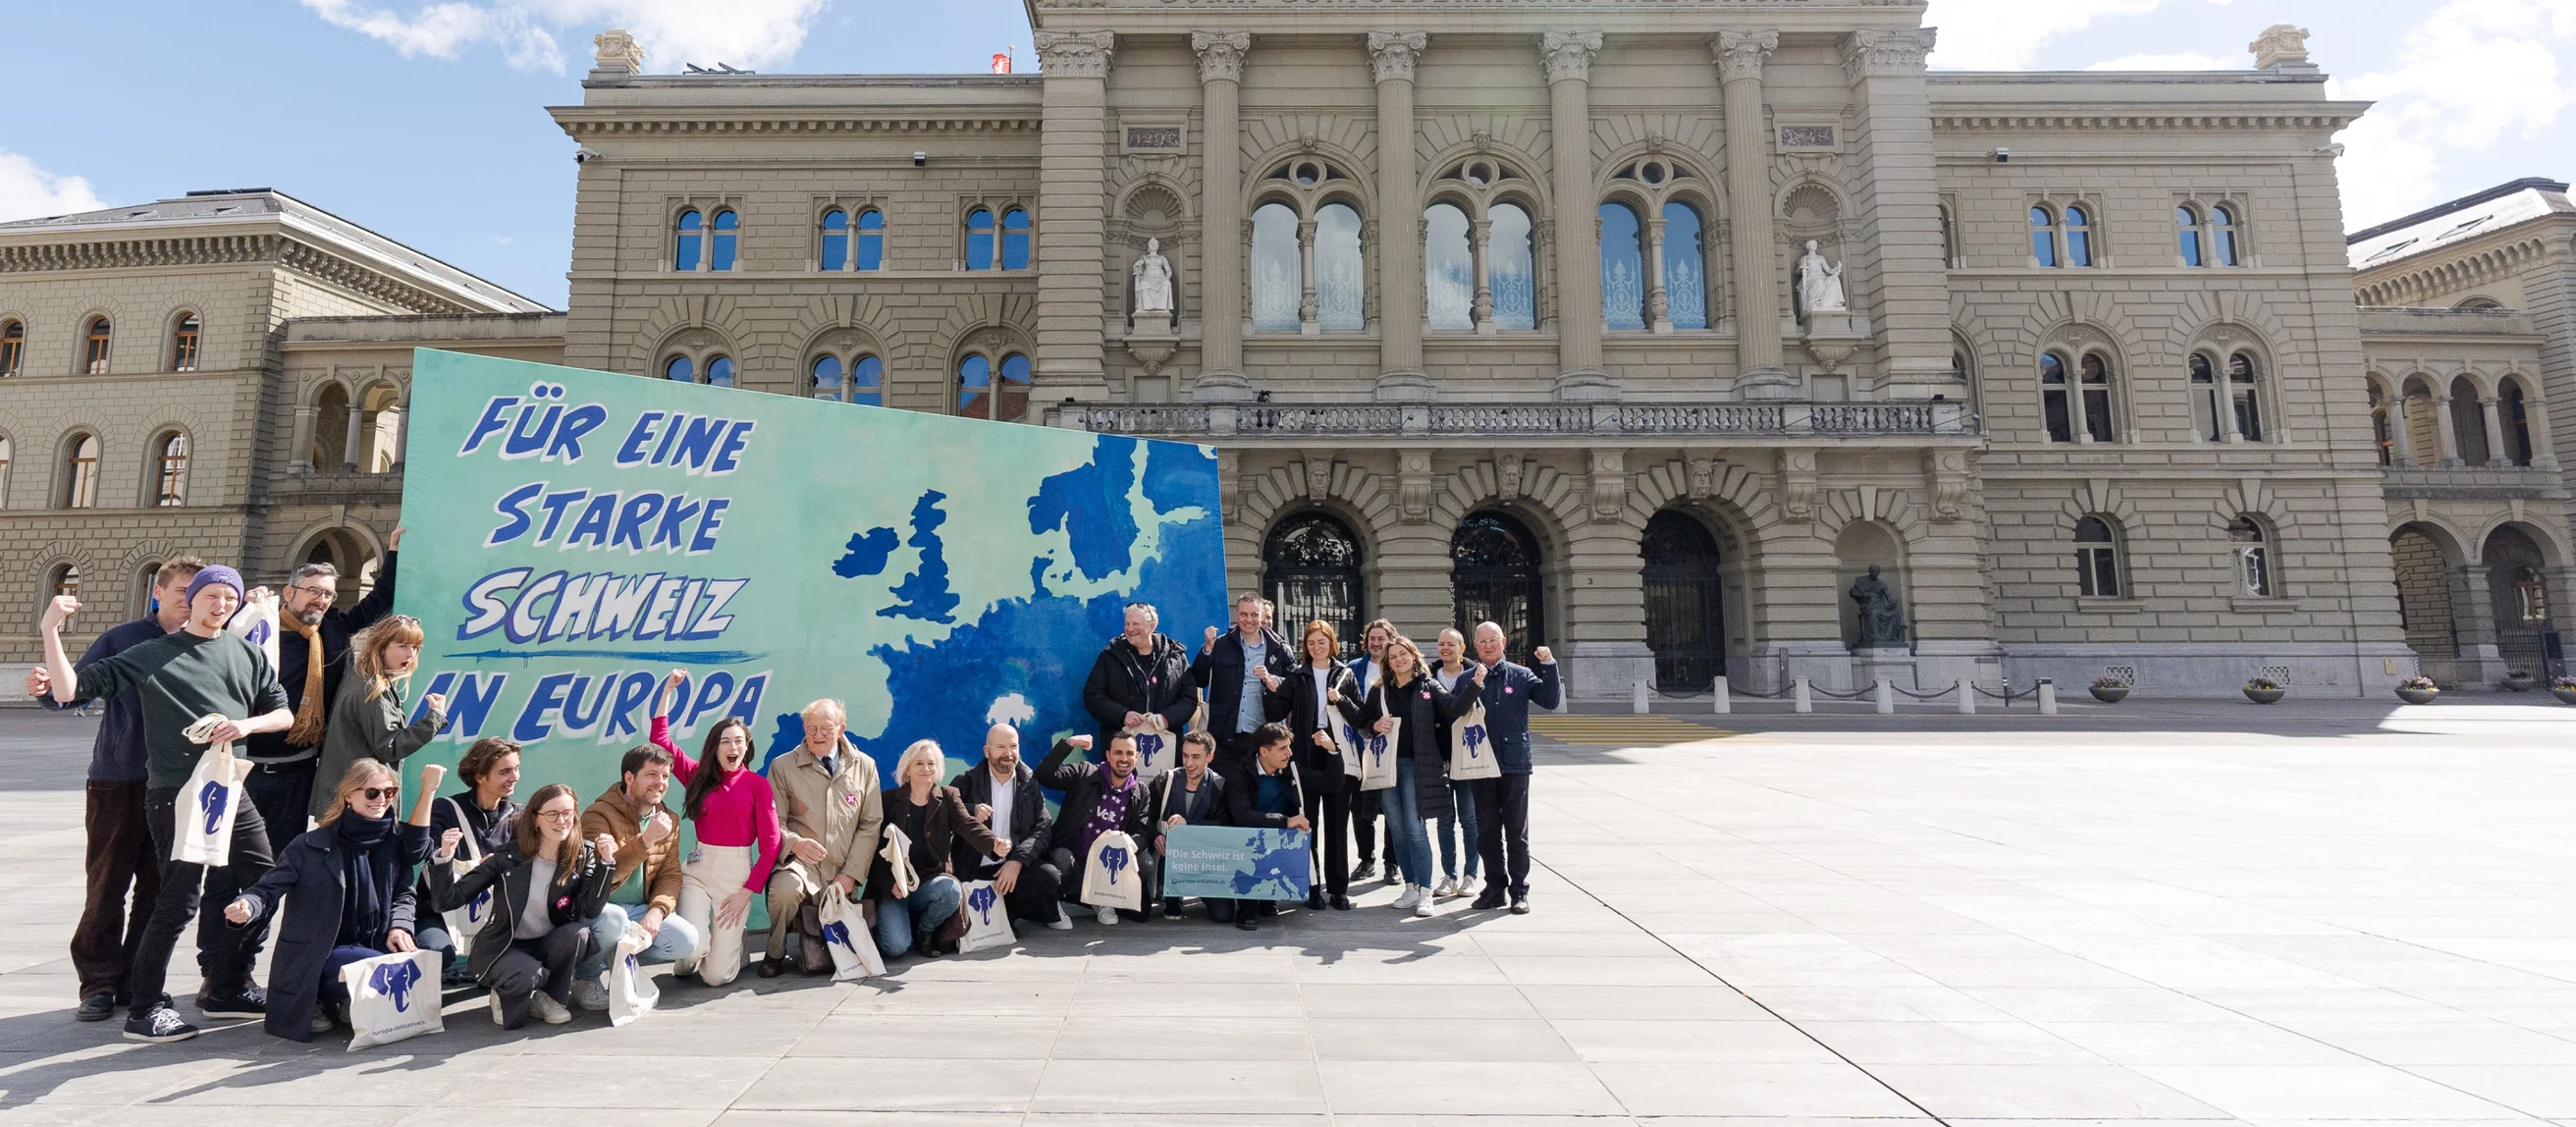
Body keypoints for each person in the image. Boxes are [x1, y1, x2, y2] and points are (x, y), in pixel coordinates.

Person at [38, 569, 293, 1044]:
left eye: (229, 597)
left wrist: (245, 725)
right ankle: (145, 1009)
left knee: (266, 879)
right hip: (177, 791)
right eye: (211, 596)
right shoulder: (153, 653)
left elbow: (284, 713)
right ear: (191, 601)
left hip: (229, 786)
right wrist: (50, 629)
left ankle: (227, 986)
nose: (220, 604)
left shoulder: (246, 652)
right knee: (177, 900)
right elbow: (68, 690)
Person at [25, 555, 198, 1023]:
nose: (190, 600)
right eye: (182, 590)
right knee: (107, 886)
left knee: (159, 891)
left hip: (181, 785)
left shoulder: (209, 642)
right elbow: (74, 690)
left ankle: (138, 980)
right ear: (157, 592)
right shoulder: (123, 639)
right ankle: (98, 983)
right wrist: (45, 688)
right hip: (120, 779)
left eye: (196, 591)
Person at [222, 759, 437, 1041]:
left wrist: (399, 926)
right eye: (372, 792)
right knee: (374, 965)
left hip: (374, 940)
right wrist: (248, 904)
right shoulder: (310, 845)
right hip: (320, 951)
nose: (381, 800)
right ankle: (319, 999)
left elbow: (404, 893)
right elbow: (268, 888)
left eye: (389, 792)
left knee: (415, 960)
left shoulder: (394, 840)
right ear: (349, 795)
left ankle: (352, 997)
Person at [242, 530, 403, 859]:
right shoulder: (259, 629)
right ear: (289, 592)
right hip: (247, 769)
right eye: (313, 591)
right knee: (229, 867)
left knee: (282, 860)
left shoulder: (332, 629)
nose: (321, 599)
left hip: (299, 771)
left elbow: (380, 599)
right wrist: (242, 606)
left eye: (328, 594)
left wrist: (394, 551)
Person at [427, 782, 614, 1028]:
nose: (561, 821)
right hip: (504, 946)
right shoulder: (507, 858)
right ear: (536, 819)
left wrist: (607, 863)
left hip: (547, 944)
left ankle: (542, 995)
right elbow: (447, 901)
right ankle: (512, 990)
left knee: (577, 934)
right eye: (552, 814)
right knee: (527, 973)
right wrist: (444, 857)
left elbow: (589, 910)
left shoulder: (582, 855)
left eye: (568, 813)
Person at [643, 673, 781, 986]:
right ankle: (689, 956)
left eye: (739, 741)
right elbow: (660, 740)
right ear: (715, 748)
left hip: (736, 879)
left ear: (747, 747)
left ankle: (735, 944)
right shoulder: (697, 775)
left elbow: (772, 843)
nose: (733, 747)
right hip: (698, 871)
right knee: (693, 948)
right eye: (726, 741)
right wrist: (667, 691)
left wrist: (747, 893)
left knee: (716, 977)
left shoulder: (757, 785)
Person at [571, 740, 703, 1009]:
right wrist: (646, 840)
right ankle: (585, 977)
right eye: (652, 775)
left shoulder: (669, 819)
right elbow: (602, 873)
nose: (660, 783)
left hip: (639, 910)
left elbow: (670, 874)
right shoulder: (598, 814)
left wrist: (657, 910)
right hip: (601, 907)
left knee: (686, 940)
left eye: (665, 776)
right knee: (614, 919)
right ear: (629, 778)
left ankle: (618, 956)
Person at [765, 698, 883, 976]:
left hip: (843, 863)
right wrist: (795, 844)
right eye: (811, 729)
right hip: (802, 863)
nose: (817, 735)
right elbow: (774, 822)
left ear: (841, 729)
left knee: (882, 945)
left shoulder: (864, 766)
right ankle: (774, 952)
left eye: (825, 729)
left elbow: (870, 824)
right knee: (784, 890)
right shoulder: (782, 767)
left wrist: (851, 873)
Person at [1355, 634, 1469, 918]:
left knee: (1415, 829)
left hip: (1416, 768)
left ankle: (1427, 891)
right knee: (1397, 830)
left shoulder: (1428, 686)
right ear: (1388, 663)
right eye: (1392, 657)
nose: (1398, 660)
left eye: (1402, 654)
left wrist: (1476, 684)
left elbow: (1454, 708)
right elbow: (1363, 724)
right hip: (1387, 767)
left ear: (1413, 655)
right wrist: (1373, 725)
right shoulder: (1380, 690)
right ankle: (1411, 886)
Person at [308, 615, 448, 821]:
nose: (410, 654)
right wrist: (434, 718)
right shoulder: (373, 689)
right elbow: (390, 746)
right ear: (381, 647)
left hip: (349, 799)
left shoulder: (359, 677)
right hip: (362, 803)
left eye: (416, 647)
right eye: (402, 646)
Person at [1466, 622, 1560, 914]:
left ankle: (1519, 890)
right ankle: (1495, 887)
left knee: (1516, 832)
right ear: (1475, 645)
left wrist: (1550, 666)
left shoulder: (1520, 675)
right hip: (1480, 764)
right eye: (1482, 642)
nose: (1488, 646)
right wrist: (1473, 686)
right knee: (1487, 832)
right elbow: (1454, 710)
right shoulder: (1470, 677)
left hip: (1515, 763)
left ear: (1503, 642)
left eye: (1492, 640)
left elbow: (1550, 700)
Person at [874, 741, 999, 958]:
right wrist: (889, 884)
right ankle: (896, 925)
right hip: (895, 887)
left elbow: (967, 825)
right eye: (919, 763)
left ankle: (926, 929)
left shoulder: (949, 797)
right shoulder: (888, 801)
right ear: (907, 769)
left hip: (930, 884)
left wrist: (993, 843)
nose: (926, 769)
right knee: (895, 947)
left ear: (939, 768)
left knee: (951, 890)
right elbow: (873, 849)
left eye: (931, 763)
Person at [414, 736, 521, 981]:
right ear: (480, 776)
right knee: (435, 951)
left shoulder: (519, 816)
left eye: (516, 769)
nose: (514, 777)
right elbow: (419, 851)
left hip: (496, 914)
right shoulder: (446, 809)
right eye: (505, 772)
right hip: (439, 912)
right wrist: (444, 853)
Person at [951, 724, 1069, 932]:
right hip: (973, 871)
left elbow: (1042, 827)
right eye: (1000, 747)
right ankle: (995, 920)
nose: (1008, 754)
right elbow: (946, 815)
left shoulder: (1029, 783)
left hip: (1009, 870)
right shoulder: (966, 781)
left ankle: (1007, 916)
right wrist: (971, 810)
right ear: (987, 751)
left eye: (1013, 747)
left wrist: (1017, 861)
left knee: (1049, 876)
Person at [1035, 732, 1155, 925]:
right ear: (1107, 755)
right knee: (1061, 859)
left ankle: (1103, 898)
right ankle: (1055, 901)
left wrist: (1127, 843)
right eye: (1118, 753)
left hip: (1110, 867)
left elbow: (1144, 831)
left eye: (1129, 753)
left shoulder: (1141, 791)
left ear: (1137, 756)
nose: (1124, 758)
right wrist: (1069, 744)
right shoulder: (1085, 773)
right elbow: (1043, 775)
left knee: (1145, 865)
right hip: (1075, 860)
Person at [1285, 620, 1360, 911]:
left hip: (1335, 753)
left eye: (1322, 642)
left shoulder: (1345, 675)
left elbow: (1358, 716)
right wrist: (1270, 686)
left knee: (1338, 823)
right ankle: (1312, 887)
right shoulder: (1297, 676)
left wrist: (1340, 701)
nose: (1317, 647)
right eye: (1311, 642)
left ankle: (1339, 889)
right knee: (1308, 825)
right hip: (1305, 754)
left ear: (1332, 643)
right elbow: (1277, 708)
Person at [1190, 592, 1293, 778]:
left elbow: (1294, 685)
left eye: (1254, 615)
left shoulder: (1279, 648)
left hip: (1260, 737)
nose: (1249, 620)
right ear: (1237, 615)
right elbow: (1198, 679)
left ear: (1262, 616)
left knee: (1252, 792)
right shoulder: (1220, 644)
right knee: (1222, 792)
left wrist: (1274, 680)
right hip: (1223, 735)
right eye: (1244, 614)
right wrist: (1206, 650)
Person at [1220, 723, 1311, 931]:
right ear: (1264, 751)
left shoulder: (1290, 770)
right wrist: (1284, 821)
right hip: (1246, 837)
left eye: (1289, 747)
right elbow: (1242, 815)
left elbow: (1330, 783)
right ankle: (1247, 907)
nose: (1289, 753)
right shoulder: (1239, 773)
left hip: (1276, 837)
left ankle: (1268, 900)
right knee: (1251, 840)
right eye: (1282, 748)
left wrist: (1333, 751)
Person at [1081, 603, 1198, 749]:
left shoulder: (1175, 657)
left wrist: (1167, 718)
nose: (1130, 629)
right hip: (1121, 751)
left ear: (1152, 626)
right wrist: (1122, 715)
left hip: (1164, 748)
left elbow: (1190, 697)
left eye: (1136, 624)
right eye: (1127, 623)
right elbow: (1092, 695)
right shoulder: (1110, 656)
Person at [1147, 731, 1231, 922]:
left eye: (1196, 757)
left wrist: (1188, 825)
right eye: (1185, 756)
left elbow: (1224, 825)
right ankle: (1170, 895)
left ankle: (1195, 889)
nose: (1189, 763)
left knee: (1224, 914)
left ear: (1210, 757)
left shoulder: (1219, 786)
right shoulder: (1165, 781)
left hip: (1204, 859)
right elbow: (1146, 817)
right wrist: (1155, 836)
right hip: (1168, 857)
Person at [1428, 628, 1484, 901]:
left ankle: (1470, 874)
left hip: (1468, 756)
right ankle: (1449, 875)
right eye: (1441, 644)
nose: (1445, 649)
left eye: (1451, 644)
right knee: (1444, 820)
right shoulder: (1428, 676)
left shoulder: (1475, 675)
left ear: (1463, 648)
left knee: (1469, 818)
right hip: (1438, 757)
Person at [1344, 618, 1397, 886]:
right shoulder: (1354, 668)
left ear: (1390, 640)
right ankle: (1366, 859)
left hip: (1391, 750)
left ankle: (1392, 862)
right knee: (1360, 808)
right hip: (1359, 748)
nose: (1376, 643)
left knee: (1391, 807)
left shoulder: (1398, 665)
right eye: (1372, 638)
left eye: (1381, 638)